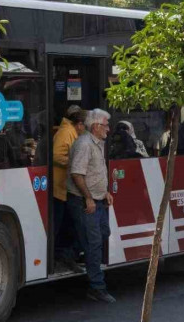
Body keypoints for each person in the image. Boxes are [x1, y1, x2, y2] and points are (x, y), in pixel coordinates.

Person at [65, 109, 115, 303]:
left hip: (97, 199)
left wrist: (105, 192)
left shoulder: (97, 143)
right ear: (95, 127)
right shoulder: (84, 144)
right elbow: (77, 174)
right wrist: (89, 198)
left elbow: (95, 172)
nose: (109, 129)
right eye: (106, 125)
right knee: (94, 243)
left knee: (103, 233)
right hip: (84, 201)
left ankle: (69, 253)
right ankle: (97, 287)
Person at [52, 105, 86, 273]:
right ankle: (59, 257)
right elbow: (56, 156)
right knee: (61, 226)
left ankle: (64, 257)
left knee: (66, 225)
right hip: (60, 188)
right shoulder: (66, 132)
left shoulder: (70, 131)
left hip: (66, 188)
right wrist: (75, 164)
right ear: (78, 123)